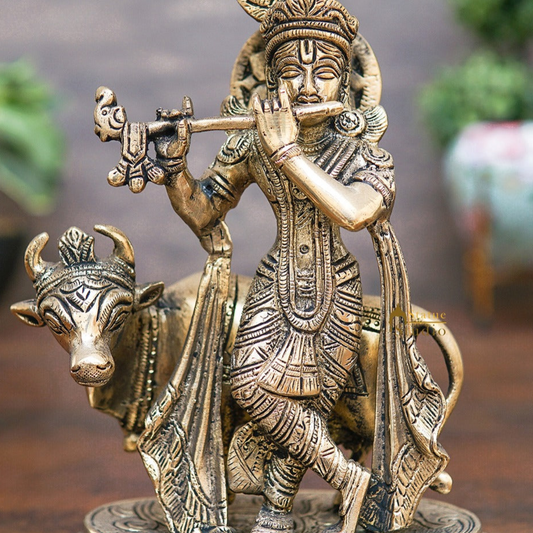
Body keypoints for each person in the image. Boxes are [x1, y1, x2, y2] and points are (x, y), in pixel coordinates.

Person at [152, 1, 447, 532]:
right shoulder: (253, 144)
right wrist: (174, 167)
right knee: (249, 385)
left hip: (336, 288)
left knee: (310, 402)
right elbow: (203, 211)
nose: (308, 87)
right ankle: (347, 477)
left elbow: (355, 213)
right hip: (274, 282)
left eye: (325, 72)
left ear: (347, 84)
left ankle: (275, 512)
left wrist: (288, 152)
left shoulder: (363, 155)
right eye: (292, 72)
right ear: (271, 82)